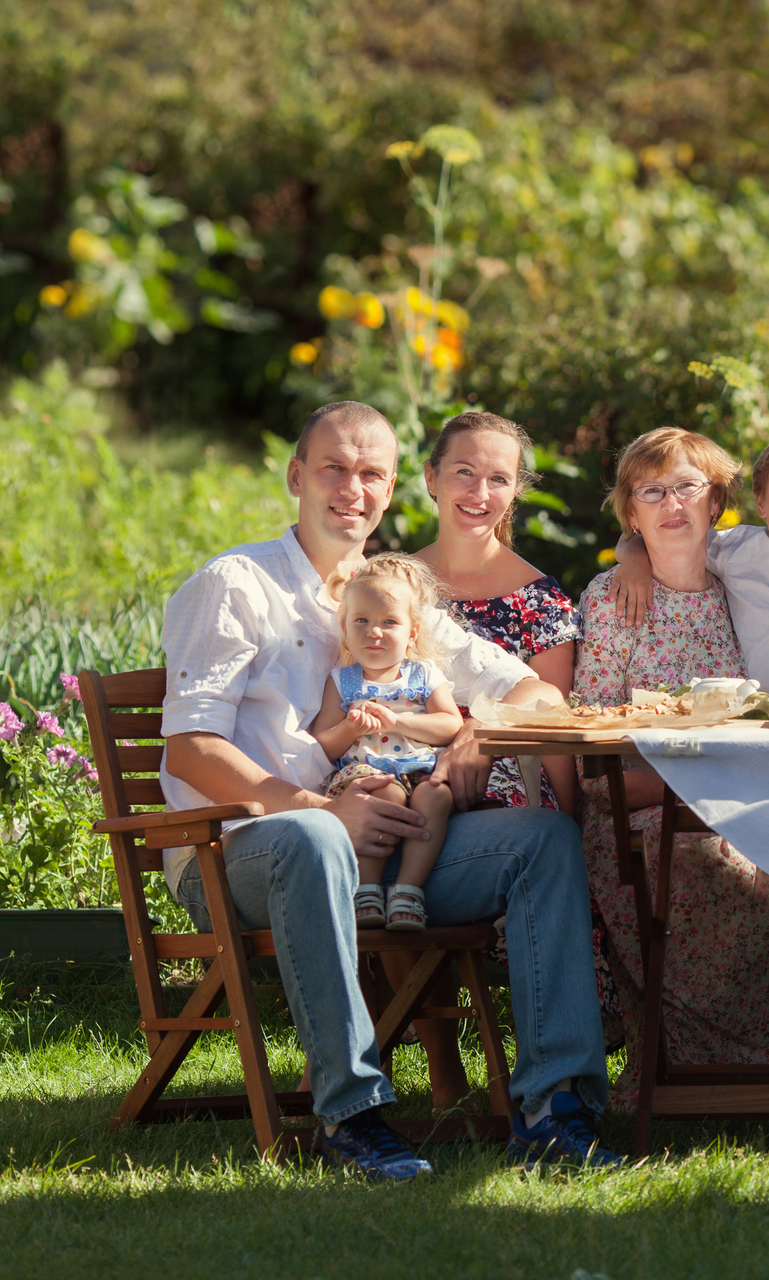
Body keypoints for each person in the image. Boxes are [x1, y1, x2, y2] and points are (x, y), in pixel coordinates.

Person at [160, 400, 617, 1179]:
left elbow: (541, 695)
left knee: (541, 839)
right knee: (311, 842)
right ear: (296, 475)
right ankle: (351, 1114)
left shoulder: (394, 598)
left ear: (394, 486)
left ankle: (551, 1108)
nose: (352, 488)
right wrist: (318, 809)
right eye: (334, 467)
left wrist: (481, 728)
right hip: (242, 847)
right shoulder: (235, 584)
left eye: (372, 473)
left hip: (388, 843)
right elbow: (192, 748)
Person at [575, 427, 769, 1102]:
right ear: (631, 512)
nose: (671, 505)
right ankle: (696, 1078)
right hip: (641, 810)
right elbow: (591, 744)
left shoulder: (735, 579)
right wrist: (630, 559)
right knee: (704, 867)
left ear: (715, 501)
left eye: (687, 487)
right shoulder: (613, 599)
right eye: (651, 492)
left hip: (740, 806)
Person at [604, 427, 769, 687]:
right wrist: (634, 560)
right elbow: (664, 539)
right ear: (761, 502)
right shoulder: (735, 549)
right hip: (752, 715)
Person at [413, 411, 579, 815]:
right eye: (465, 472)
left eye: (499, 479)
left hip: (504, 783)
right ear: (431, 477)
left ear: (516, 490)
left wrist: (570, 826)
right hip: (401, 764)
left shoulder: (542, 603)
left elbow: (550, 722)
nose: (480, 493)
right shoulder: (390, 585)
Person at [309, 553, 463, 932]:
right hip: (365, 775)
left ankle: (408, 889)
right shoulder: (342, 680)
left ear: (411, 632)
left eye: (388, 622)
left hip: (419, 768)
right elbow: (322, 744)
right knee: (385, 794)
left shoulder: (423, 674)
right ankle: (367, 889)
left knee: (437, 796)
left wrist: (400, 721)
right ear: (344, 629)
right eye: (361, 621)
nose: (373, 632)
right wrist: (349, 728)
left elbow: (450, 724)